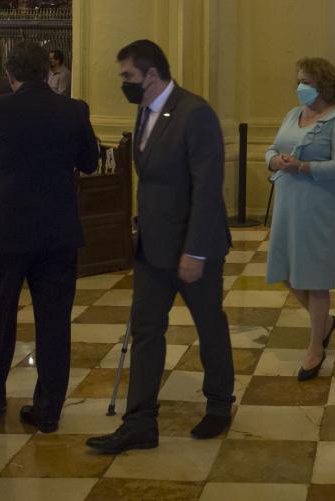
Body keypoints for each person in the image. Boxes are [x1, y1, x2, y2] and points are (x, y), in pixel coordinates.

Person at [88, 40, 234, 454]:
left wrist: (197, 251)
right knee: (146, 330)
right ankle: (140, 422)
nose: (125, 84)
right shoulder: (147, 109)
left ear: (152, 75)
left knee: (209, 326)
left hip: (194, 248)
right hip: (152, 246)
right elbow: (153, 180)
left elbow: (208, 190)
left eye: (129, 77)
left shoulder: (195, 113)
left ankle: (220, 404)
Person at [0, 41, 100, 433]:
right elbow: (91, 163)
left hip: (5, 231)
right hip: (56, 231)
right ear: (48, 72)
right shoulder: (73, 110)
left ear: (11, 75)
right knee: (54, 322)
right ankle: (48, 411)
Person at [265, 56, 335, 380]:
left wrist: (303, 167)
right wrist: (276, 160)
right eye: (298, 80)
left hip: (319, 206)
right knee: (286, 270)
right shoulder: (294, 114)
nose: (300, 87)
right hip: (288, 202)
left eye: (306, 81)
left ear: (323, 85)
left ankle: (315, 346)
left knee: (314, 278)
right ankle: (326, 323)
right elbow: (272, 148)